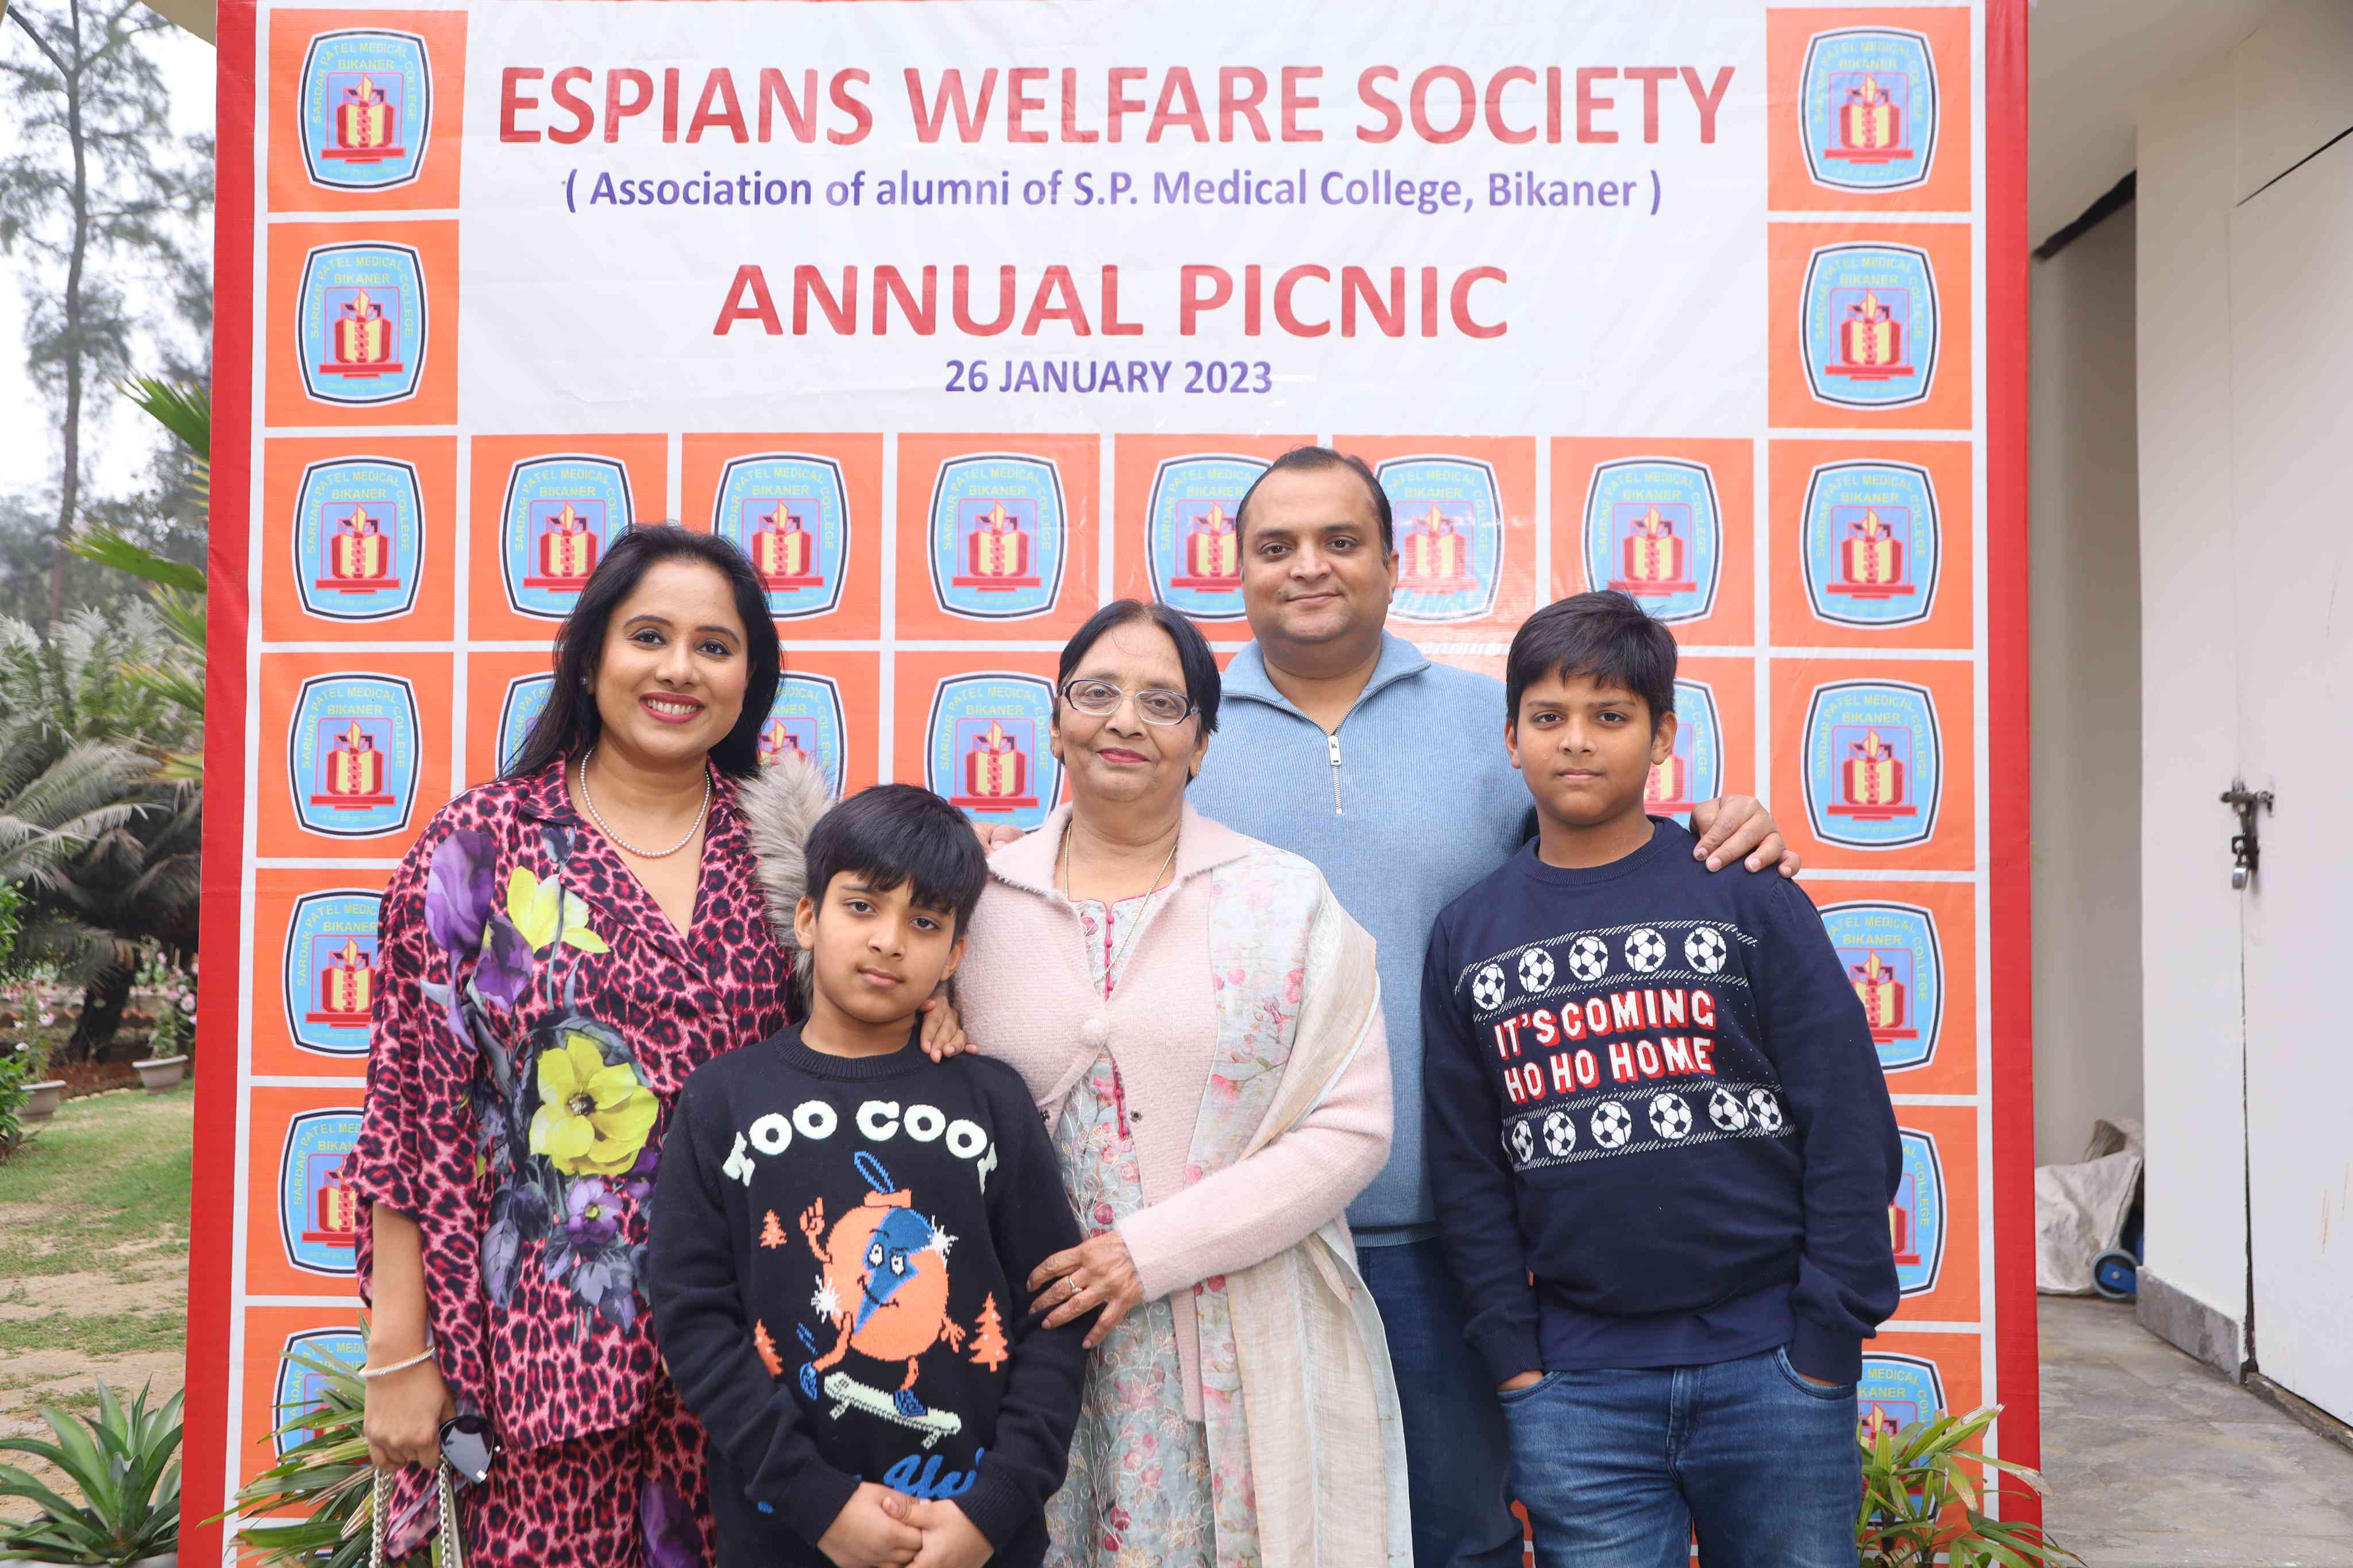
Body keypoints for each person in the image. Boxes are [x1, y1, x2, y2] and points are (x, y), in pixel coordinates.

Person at [1168, 446, 1801, 1568]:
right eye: (1277, 545)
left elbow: (1601, 859)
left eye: (1340, 540)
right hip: (1243, 1235)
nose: (1308, 565)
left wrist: (1716, 824)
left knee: (1462, 1538)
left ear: (1394, 563)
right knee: (1255, 1543)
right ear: (1238, 571)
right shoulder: (1179, 736)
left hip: (1449, 1244)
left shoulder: (1489, 722)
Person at [346, 526, 959, 1567]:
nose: (680, 668)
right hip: (549, 1354)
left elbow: (864, 1013)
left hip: (758, 1359)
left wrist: (934, 1014)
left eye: (715, 646)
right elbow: (411, 1112)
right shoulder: (479, 847)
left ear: (750, 679)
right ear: (591, 658)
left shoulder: (794, 849)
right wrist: (399, 1352)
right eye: (649, 636)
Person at [876, 598, 1407, 1567]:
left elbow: (1354, 1126)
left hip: (1235, 1343)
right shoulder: (973, 903)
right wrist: (928, 1023)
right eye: (1097, 694)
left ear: (1201, 744)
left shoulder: (1282, 900)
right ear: (1054, 724)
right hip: (1023, 1350)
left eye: (1163, 703)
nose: (1125, 720)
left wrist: (1146, 1252)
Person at [1421, 591, 1900, 1568]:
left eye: (1611, 715)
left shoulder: (1744, 892)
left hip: (1772, 1369)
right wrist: (1518, 1367)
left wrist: (1823, 1341)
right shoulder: (1470, 934)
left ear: (1663, 736)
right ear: (1511, 738)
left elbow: (1849, 1121)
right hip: (1579, 1392)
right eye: (1548, 716)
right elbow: (1469, 1174)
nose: (1577, 740)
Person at [649, 781, 1092, 1568]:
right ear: (807, 917)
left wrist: (992, 1509)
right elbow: (693, 1319)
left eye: (924, 922)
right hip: (785, 1535)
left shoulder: (994, 1100)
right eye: (862, 907)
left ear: (955, 955)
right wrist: (816, 1502)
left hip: (975, 1539)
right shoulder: (723, 1099)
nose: (889, 941)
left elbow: (1054, 1311)